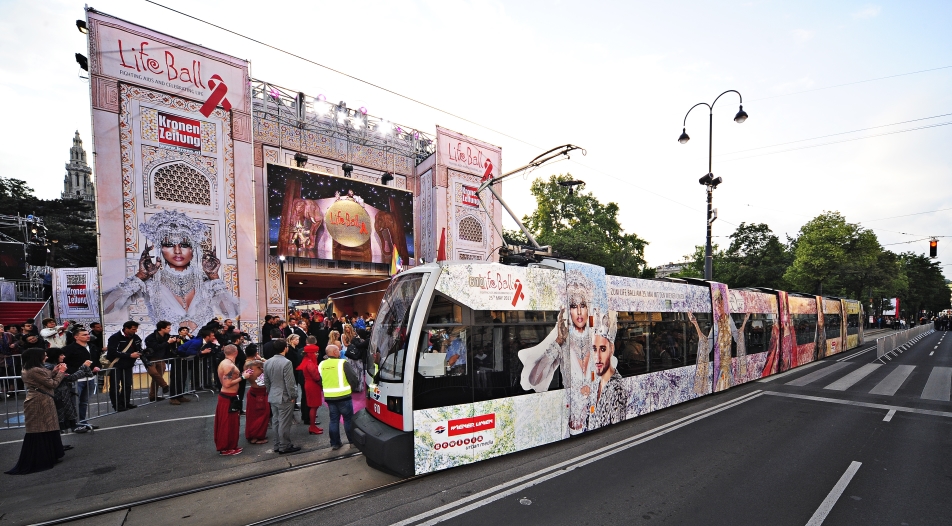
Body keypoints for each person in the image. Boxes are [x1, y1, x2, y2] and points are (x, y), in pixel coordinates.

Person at [102, 210, 240, 331]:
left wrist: (214, 277)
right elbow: (105, 307)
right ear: (160, 249)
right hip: (169, 354)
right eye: (169, 245)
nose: (178, 251)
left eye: (184, 245)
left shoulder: (206, 283)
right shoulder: (150, 283)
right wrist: (140, 276)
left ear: (193, 249)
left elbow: (232, 312)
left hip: (203, 353)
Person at [519, 269, 597, 436]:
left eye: (582, 305)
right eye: (573, 306)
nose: (579, 312)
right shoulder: (562, 340)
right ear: (567, 311)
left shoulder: (597, 338)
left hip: (594, 410)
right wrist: (558, 342)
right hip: (572, 414)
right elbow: (534, 379)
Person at [6, 348, 69, 475]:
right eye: (44, 356)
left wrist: (55, 371)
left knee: (47, 428)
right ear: (37, 357)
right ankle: (42, 457)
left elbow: (44, 379)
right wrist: (61, 372)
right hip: (39, 401)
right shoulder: (34, 370)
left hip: (43, 400)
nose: (46, 357)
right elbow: (52, 384)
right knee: (41, 428)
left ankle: (51, 454)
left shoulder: (31, 368)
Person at [588, 311, 626, 430]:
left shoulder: (617, 388)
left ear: (612, 349)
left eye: (603, 349)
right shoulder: (596, 383)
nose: (597, 358)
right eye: (594, 349)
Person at [264, 340, 300, 454]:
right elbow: (290, 382)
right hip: (284, 396)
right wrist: (293, 395)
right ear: (285, 348)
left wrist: (270, 392)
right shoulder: (286, 362)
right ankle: (284, 445)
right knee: (284, 422)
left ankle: (277, 444)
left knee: (276, 421)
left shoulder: (267, 362)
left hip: (273, 395)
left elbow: (267, 381)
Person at [320, 344, 359, 451]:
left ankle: (335, 443)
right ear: (334, 352)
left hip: (329, 396)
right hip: (344, 396)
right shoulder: (342, 363)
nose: (340, 351)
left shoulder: (322, 364)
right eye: (338, 350)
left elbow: (320, 380)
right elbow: (353, 378)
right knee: (348, 420)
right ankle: (352, 442)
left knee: (333, 420)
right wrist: (352, 388)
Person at [60, 329, 100, 432]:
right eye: (84, 335)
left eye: (88, 334)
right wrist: (74, 372)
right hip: (76, 379)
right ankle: (74, 424)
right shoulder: (69, 349)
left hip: (90, 378)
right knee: (74, 403)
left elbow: (96, 360)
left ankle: (83, 421)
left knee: (84, 402)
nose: (88, 336)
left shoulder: (92, 347)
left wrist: (96, 367)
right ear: (76, 337)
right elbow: (63, 362)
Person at [214, 345, 249, 456]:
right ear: (236, 352)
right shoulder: (228, 365)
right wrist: (243, 377)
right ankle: (225, 448)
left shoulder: (225, 362)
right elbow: (227, 383)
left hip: (228, 396)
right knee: (227, 423)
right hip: (228, 396)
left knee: (230, 423)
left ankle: (230, 446)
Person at [106, 321, 143, 411]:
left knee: (127, 385)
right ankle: (117, 405)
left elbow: (138, 348)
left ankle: (126, 402)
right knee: (115, 386)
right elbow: (112, 352)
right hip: (116, 365)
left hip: (128, 365)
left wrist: (141, 352)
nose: (135, 331)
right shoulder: (115, 337)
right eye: (133, 329)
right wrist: (129, 355)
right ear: (126, 328)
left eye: (136, 329)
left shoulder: (135, 337)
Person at [243, 345, 269, 445]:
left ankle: (252, 435)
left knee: (252, 415)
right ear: (255, 353)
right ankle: (257, 436)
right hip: (260, 392)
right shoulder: (256, 363)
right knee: (261, 415)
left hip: (254, 390)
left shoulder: (246, 364)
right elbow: (268, 363)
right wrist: (260, 358)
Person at [298, 337, 324, 435]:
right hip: (312, 385)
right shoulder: (310, 364)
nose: (317, 354)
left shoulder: (307, 361)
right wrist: (322, 384)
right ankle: (312, 426)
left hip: (310, 385)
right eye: (316, 352)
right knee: (314, 406)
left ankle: (313, 426)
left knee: (313, 406)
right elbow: (316, 377)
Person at [144, 321, 175, 402]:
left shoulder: (167, 336)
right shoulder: (151, 338)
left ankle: (153, 396)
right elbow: (156, 347)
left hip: (161, 358)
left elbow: (168, 346)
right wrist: (168, 342)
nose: (170, 330)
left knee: (157, 378)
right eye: (168, 328)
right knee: (154, 374)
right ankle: (164, 386)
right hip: (151, 358)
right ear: (162, 328)